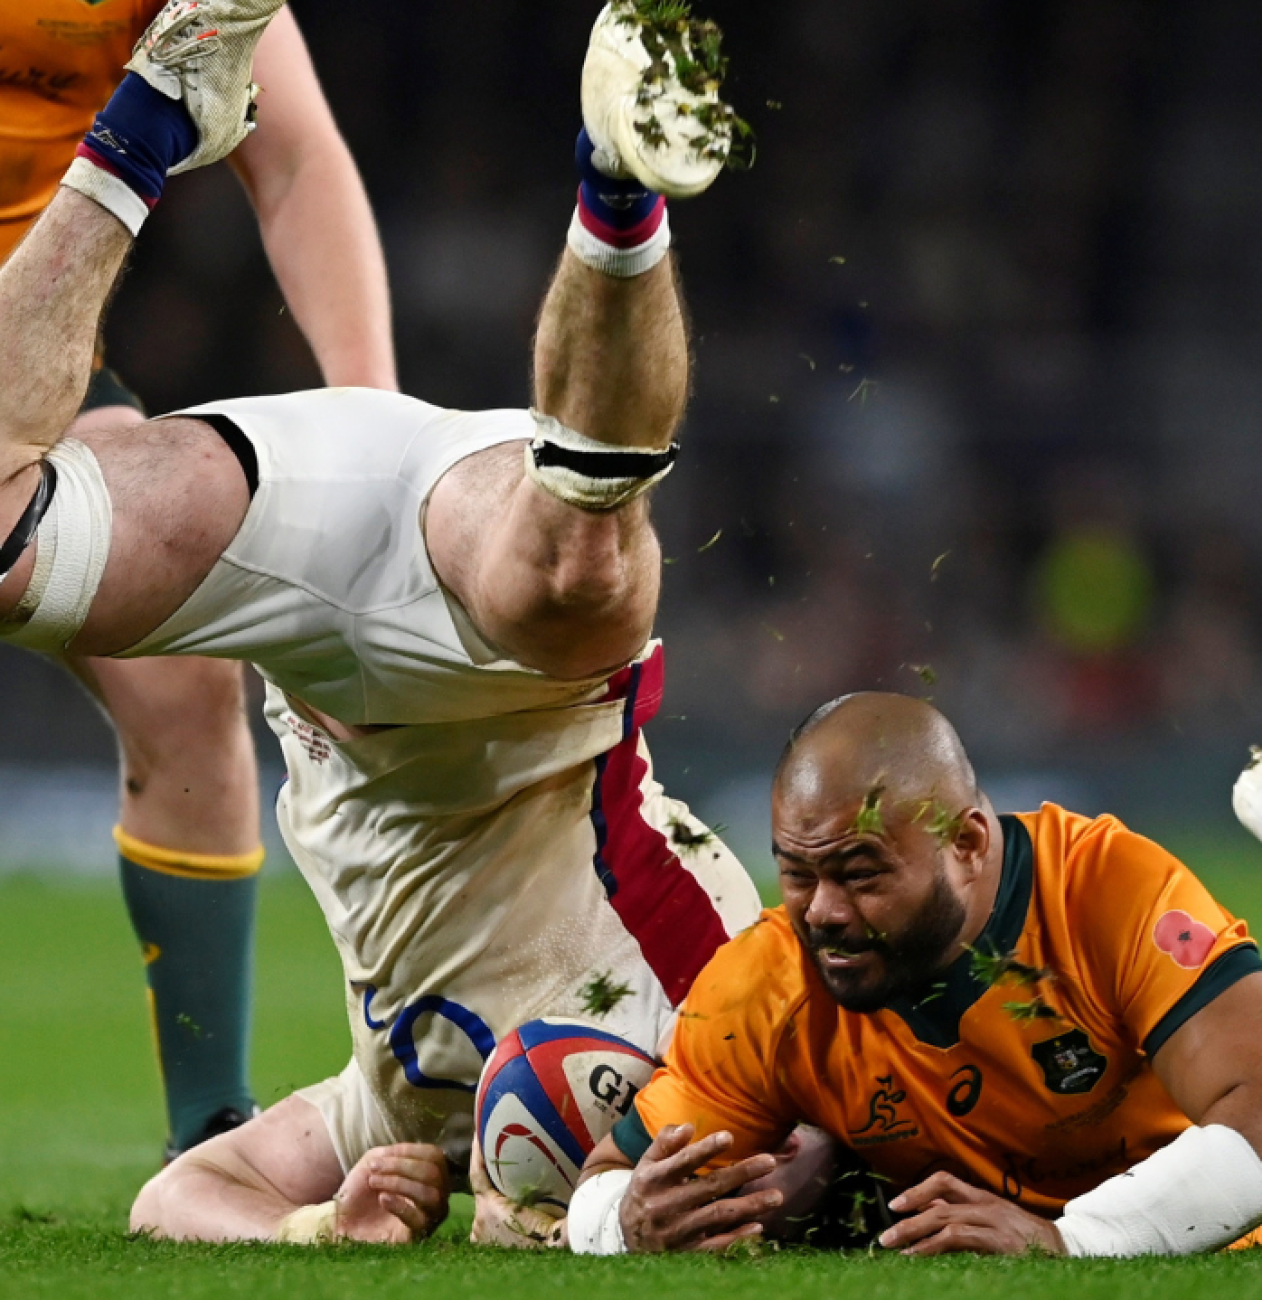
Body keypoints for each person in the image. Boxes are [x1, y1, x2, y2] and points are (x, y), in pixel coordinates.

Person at [0, 0, 760, 1244]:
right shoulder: (729, 1016)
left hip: (314, 612)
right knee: (573, 576)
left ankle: (143, 132)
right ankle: (619, 203)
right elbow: (852, 1128)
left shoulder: (403, 1103)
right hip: (472, 596)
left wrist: (318, 1231)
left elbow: (184, 1205)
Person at [1, 0, 396, 1156]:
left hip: (34, 358)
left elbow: (296, 161)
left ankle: (207, 1136)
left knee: (183, 682)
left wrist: (370, 429)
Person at [568, 692, 1262, 1257]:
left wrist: (1070, 1240)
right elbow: (608, 1179)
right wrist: (623, 1224)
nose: (822, 911)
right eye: (796, 873)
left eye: (859, 872)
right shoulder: (763, 988)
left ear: (969, 843)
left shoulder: (1106, 891)